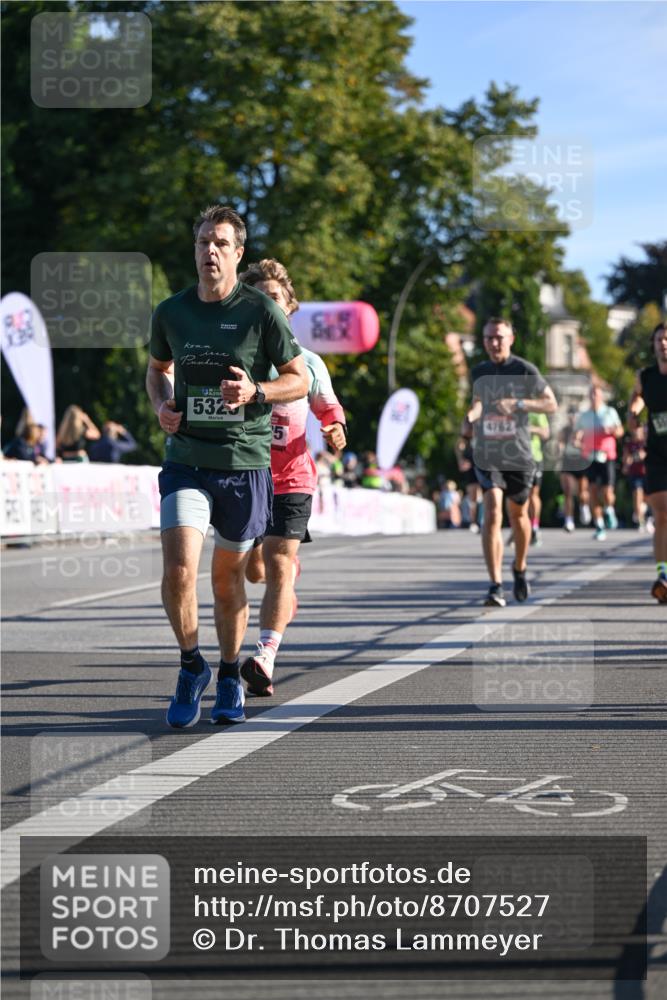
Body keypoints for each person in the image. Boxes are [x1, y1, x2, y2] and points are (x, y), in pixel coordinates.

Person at [146, 206, 308, 727]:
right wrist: (162, 406)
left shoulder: (262, 311)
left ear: (238, 253)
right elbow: (156, 372)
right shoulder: (171, 312)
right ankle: (191, 665)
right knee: (177, 570)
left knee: (226, 580)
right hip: (187, 459)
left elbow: (298, 378)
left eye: (219, 243)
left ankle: (229, 672)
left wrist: (257, 390)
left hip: (243, 463)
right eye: (201, 243)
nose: (208, 252)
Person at [239, 258, 346, 695]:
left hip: (293, 477)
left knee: (280, 562)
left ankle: (265, 656)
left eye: (275, 299)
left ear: (289, 307)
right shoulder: (239, 359)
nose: (268, 305)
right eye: (260, 299)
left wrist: (335, 427)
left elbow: (328, 407)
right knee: (253, 573)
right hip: (245, 475)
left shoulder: (309, 362)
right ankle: (283, 599)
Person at [467, 317, 557, 607]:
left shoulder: (524, 370)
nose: (494, 343)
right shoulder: (479, 371)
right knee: (492, 511)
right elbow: (478, 401)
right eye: (489, 338)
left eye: (499, 337)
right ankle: (495, 585)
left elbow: (551, 403)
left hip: (518, 453)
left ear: (511, 339)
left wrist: (519, 404)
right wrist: (473, 414)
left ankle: (519, 567)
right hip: (488, 452)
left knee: (519, 516)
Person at [628, 322, 667, 603]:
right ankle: (663, 575)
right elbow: (637, 399)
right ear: (653, 345)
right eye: (659, 340)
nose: (663, 344)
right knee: (661, 514)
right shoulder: (646, 376)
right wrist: (633, 413)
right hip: (656, 453)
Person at [574, 383, 623, 540]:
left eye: (597, 394)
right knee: (593, 492)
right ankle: (600, 525)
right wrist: (577, 439)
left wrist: (614, 431)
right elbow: (576, 434)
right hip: (590, 457)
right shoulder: (584, 416)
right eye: (592, 394)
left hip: (607, 456)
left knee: (607, 492)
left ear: (602, 396)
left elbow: (621, 431)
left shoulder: (610, 412)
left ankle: (609, 509)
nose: (594, 397)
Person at [558, 406, 590, 532]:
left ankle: (584, 506)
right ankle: (569, 520)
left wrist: (580, 445)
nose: (573, 418)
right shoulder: (565, 431)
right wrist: (559, 448)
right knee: (567, 492)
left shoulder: (584, 430)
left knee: (582, 493)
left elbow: (589, 447)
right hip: (567, 462)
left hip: (581, 463)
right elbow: (560, 443)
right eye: (571, 415)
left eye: (575, 415)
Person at [455, 419, 481, 532]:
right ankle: (473, 521)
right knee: (472, 497)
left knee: (481, 495)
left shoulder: (480, 438)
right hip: (471, 470)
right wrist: (460, 461)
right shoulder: (463, 441)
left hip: (481, 468)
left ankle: (481, 520)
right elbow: (458, 452)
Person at [528, 411, 550, 546]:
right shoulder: (509, 407)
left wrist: (530, 428)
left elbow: (546, 433)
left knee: (533, 494)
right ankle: (519, 525)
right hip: (513, 459)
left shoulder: (537, 411)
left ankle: (534, 526)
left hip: (533, 458)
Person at [621, 424, 649, 531]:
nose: (636, 432)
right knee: (637, 493)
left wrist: (636, 456)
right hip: (635, 473)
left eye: (639, 430)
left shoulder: (646, 443)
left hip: (647, 473)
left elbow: (644, 454)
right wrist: (626, 464)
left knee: (647, 498)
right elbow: (625, 458)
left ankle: (644, 512)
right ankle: (640, 520)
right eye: (635, 430)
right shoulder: (629, 444)